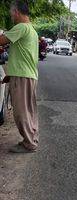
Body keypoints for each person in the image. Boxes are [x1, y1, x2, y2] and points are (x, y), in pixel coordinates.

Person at [0, 0, 39, 153]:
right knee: (29, 111)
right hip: (27, 75)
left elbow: (1, 40)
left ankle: (29, 143)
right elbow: (22, 55)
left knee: (20, 112)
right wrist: (9, 75)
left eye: (11, 14)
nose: (11, 17)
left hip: (22, 76)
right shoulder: (31, 29)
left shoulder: (21, 27)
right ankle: (31, 139)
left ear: (16, 12)